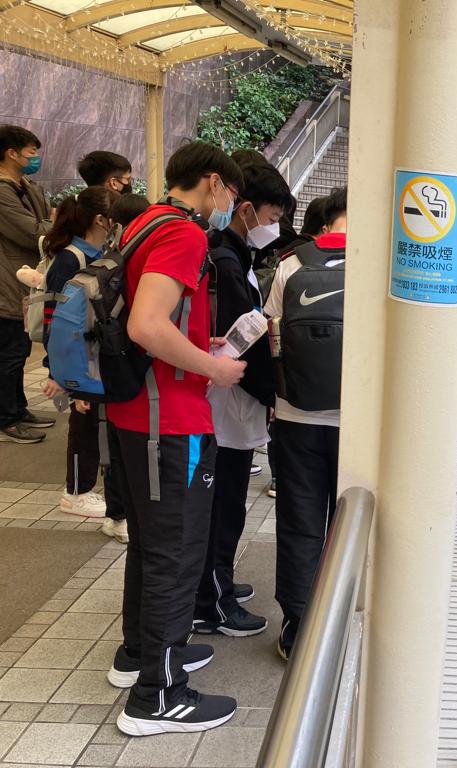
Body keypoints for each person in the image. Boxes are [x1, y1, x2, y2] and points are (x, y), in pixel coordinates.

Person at [104, 142, 247, 736]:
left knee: (150, 544)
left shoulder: (144, 222)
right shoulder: (184, 233)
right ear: (214, 183)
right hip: (170, 422)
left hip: (134, 413)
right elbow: (146, 325)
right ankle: (158, 695)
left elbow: (150, 317)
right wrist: (215, 368)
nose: (230, 206)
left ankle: (140, 653)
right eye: (232, 195)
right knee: (177, 552)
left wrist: (198, 346)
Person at [193, 162, 288, 639]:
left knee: (225, 501)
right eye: (272, 217)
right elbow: (240, 343)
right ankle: (213, 602)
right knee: (223, 505)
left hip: (228, 399)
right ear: (246, 208)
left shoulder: (231, 254)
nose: (273, 227)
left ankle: (219, 585)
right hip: (226, 400)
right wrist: (274, 394)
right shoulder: (226, 260)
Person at [264, 187, 347, 660]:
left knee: (300, 521)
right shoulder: (383, 265)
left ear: (325, 224)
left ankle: (297, 624)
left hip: (297, 415)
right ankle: (339, 619)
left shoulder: (291, 263)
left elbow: (272, 335)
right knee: (348, 523)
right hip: (358, 424)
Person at [37, 188, 127, 533]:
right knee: (84, 427)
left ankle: (85, 490)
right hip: (79, 361)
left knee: (94, 427)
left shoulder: (97, 254)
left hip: (92, 358)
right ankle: (76, 491)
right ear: (101, 220)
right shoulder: (71, 259)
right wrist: (60, 373)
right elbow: (55, 320)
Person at [0, 125, 55, 444]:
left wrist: (50, 224)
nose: (35, 158)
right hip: (8, 282)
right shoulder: (3, 191)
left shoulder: (28, 186)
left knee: (19, 350)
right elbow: (33, 232)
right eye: (31, 152)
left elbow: (46, 224)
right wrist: (53, 223)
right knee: (9, 352)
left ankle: (18, 409)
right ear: (11, 153)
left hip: (26, 279)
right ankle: (6, 418)